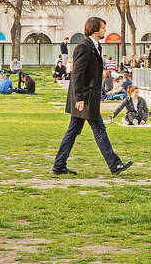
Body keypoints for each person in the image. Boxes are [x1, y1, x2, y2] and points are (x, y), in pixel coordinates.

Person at [52, 17, 133, 177]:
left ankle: (59, 165)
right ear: (96, 30)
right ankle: (114, 164)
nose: (105, 31)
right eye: (103, 28)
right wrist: (80, 98)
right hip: (85, 98)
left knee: (74, 130)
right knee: (98, 128)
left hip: (87, 97)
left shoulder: (94, 46)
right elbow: (78, 74)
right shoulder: (84, 47)